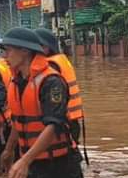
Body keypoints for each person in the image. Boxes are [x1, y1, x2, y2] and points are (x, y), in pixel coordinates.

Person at [0, 27, 95, 178]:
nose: (4, 56)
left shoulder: (51, 81)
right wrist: (9, 150)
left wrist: (24, 161)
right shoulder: (17, 81)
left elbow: (54, 125)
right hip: (33, 166)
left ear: (25, 51)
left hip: (61, 164)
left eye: (8, 50)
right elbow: (20, 120)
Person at [34, 28, 88, 162]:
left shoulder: (50, 65)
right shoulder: (61, 59)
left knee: (66, 158)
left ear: (45, 47)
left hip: (63, 120)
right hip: (70, 118)